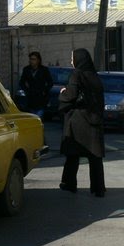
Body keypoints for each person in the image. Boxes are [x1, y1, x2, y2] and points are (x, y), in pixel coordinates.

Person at [57, 48, 106, 197]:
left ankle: (69, 183)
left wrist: (63, 93)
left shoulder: (76, 74)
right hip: (94, 120)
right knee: (95, 157)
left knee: (73, 154)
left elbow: (71, 95)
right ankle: (98, 188)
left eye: (73, 58)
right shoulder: (94, 75)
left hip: (78, 121)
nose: (72, 61)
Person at [18, 51, 53, 118]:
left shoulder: (44, 70)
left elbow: (50, 82)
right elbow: (22, 82)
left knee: (39, 117)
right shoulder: (27, 69)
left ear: (38, 60)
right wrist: (26, 90)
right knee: (32, 118)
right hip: (30, 98)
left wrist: (44, 91)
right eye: (30, 59)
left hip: (41, 98)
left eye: (34, 59)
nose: (31, 61)